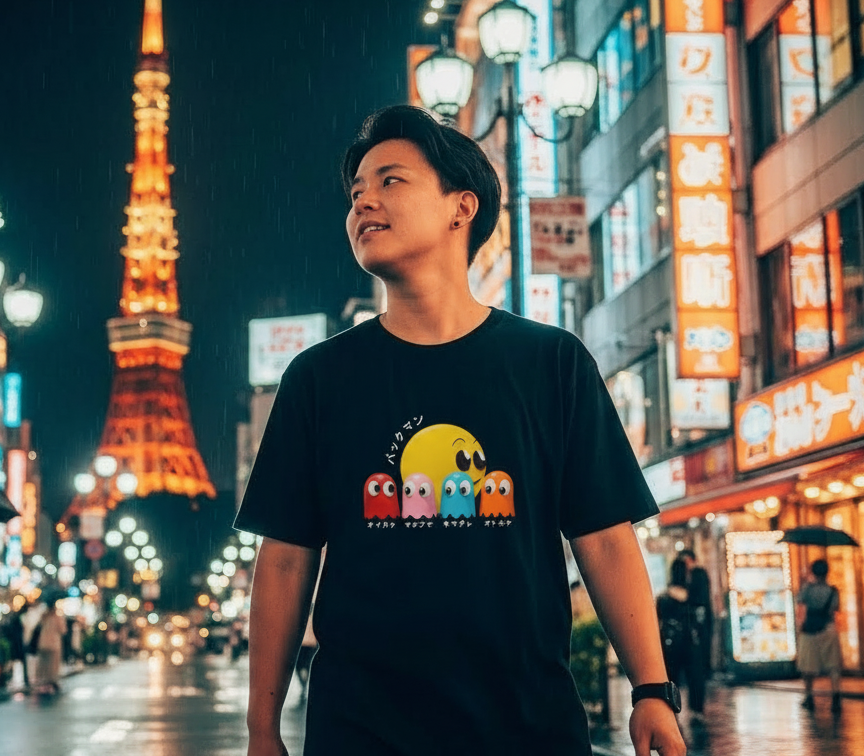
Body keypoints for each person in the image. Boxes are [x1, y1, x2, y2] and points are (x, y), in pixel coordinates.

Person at [237, 105, 685, 756]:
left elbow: (605, 539)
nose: (363, 201)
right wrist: (261, 728)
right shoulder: (317, 378)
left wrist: (652, 690)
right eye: (355, 192)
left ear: (461, 207)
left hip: (529, 727)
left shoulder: (551, 363)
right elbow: (283, 560)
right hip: (360, 731)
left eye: (390, 181)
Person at [656, 559, 706, 724]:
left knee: (673, 677)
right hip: (690, 641)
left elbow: (659, 619)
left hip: (670, 642)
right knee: (695, 676)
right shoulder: (692, 595)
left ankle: (672, 708)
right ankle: (696, 709)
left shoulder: (664, 596)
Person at [797, 559, 843, 712]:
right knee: (833, 664)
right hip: (828, 628)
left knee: (808, 664)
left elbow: (800, 606)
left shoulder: (807, 589)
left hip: (810, 629)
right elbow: (834, 610)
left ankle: (809, 696)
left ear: (812, 572)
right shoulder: (833, 591)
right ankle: (836, 696)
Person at [677, 549, 714, 677]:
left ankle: (704, 671)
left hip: (701, 616)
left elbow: (701, 596)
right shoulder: (684, 575)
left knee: (702, 644)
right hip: (693, 618)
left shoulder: (698, 574)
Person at [32, 600, 66, 693]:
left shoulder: (44, 616)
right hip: (54, 643)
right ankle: (52, 681)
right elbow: (63, 630)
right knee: (53, 664)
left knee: (43, 664)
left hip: (43, 643)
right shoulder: (58, 617)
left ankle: (42, 681)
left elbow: (38, 626)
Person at [3, 598, 31, 690]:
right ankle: (21, 679)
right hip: (20, 642)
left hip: (17, 643)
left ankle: (20, 678)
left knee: (17, 661)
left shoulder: (16, 617)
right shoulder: (21, 617)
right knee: (20, 661)